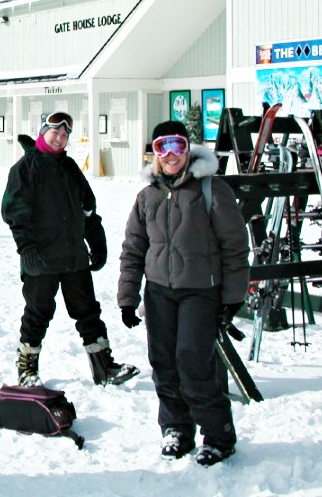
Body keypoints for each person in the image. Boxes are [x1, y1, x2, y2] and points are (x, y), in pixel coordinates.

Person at [117, 120, 249, 467]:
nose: (171, 155)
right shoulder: (147, 197)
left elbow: (235, 246)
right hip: (159, 291)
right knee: (163, 363)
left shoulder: (211, 189)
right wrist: (128, 298)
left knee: (193, 361)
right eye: (163, 147)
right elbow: (133, 248)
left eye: (177, 145)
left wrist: (233, 295)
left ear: (188, 149)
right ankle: (176, 428)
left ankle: (218, 435)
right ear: (154, 153)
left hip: (200, 292)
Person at [1, 110, 138, 388]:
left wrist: (95, 238)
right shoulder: (25, 169)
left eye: (65, 135)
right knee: (37, 314)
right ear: (43, 132)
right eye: (55, 133)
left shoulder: (70, 168)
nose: (60, 139)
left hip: (74, 256)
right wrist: (26, 249)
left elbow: (87, 208)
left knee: (88, 311)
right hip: (41, 259)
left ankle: (104, 366)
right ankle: (27, 369)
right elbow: (15, 213)